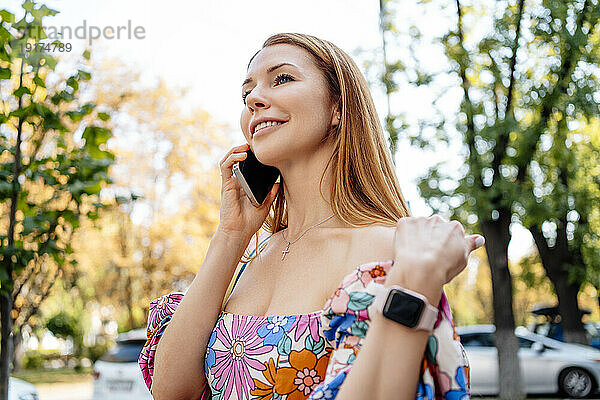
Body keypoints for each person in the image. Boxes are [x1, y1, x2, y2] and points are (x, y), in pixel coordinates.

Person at [138, 32, 484, 400]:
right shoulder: (245, 263)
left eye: (282, 78)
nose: (254, 99)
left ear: (338, 108)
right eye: (246, 93)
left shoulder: (392, 251)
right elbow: (173, 392)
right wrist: (230, 237)